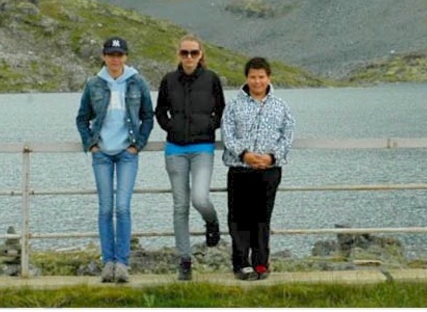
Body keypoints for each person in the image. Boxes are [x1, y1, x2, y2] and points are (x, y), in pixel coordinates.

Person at [75, 36, 154, 284]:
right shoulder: (94, 84)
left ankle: (122, 263)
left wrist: (137, 145)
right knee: (105, 208)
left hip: (126, 154)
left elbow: (148, 116)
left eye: (119, 55)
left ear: (126, 57)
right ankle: (107, 262)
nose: (115, 59)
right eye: (110, 55)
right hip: (102, 155)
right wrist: (92, 144)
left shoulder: (137, 82)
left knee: (122, 207)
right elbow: (82, 118)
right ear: (104, 57)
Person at [154, 34, 226, 281]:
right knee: (180, 205)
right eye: (184, 53)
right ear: (178, 54)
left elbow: (222, 110)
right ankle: (184, 261)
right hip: (175, 149)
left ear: (201, 54)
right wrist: (170, 127)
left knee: (200, 198)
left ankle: (212, 222)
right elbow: (160, 110)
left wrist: (209, 127)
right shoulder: (168, 80)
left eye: (193, 53)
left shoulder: (211, 79)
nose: (189, 57)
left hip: (202, 148)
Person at [221, 56, 295, 281]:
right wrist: (245, 154)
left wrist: (271, 158)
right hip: (240, 168)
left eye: (261, 77)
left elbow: (288, 134)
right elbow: (227, 133)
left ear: (268, 77)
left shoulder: (281, 106)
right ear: (247, 78)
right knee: (239, 218)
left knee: (262, 217)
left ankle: (261, 263)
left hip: (269, 170)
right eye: (253, 77)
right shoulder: (234, 105)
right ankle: (241, 263)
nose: (257, 81)